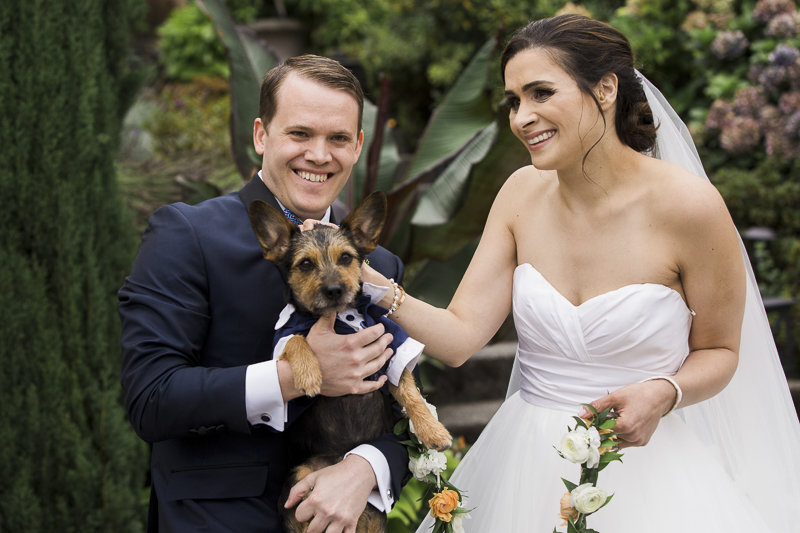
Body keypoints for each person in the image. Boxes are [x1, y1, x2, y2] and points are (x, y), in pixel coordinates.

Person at [358, 15, 800, 532]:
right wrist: (364, 280)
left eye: (541, 93)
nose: (523, 117)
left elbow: (721, 352)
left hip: (649, 472)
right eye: (514, 101)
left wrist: (665, 392)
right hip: (524, 461)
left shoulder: (689, 206)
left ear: (606, 89)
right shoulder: (520, 193)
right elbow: (458, 339)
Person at [119, 55, 411, 533]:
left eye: (338, 138)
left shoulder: (377, 266)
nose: (320, 155)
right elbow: (152, 398)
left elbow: (405, 413)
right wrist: (291, 377)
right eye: (300, 134)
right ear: (261, 135)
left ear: (358, 146)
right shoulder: (187, 234)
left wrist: (367, 469)